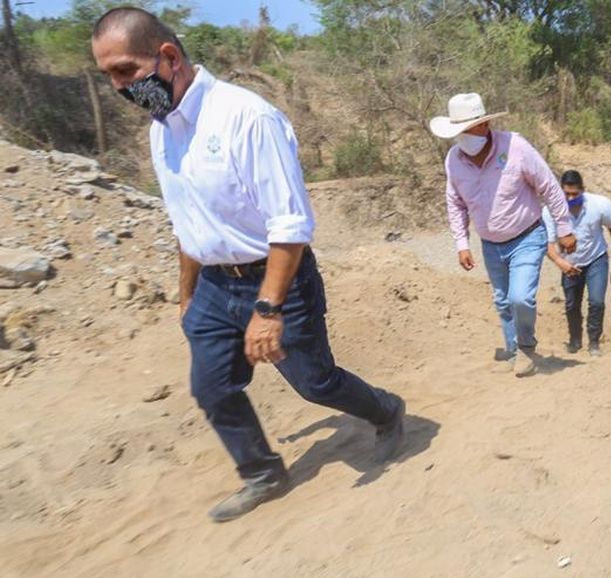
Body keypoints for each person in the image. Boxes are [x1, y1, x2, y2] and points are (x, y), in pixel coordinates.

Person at [91, 7, 406, 523]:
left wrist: (268, 309)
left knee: (315, 384)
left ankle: (386, 409)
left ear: (168, 56)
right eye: (108, 76)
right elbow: (189, 222)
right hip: (214, 285)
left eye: (125, 71)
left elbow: (290, 226)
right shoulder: (161, 129)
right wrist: (187, 294)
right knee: (212, 387)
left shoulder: (246, 117)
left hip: (276, 279)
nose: (118, 87)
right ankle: (262, 472)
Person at [430, 93, 577, 377]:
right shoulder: (454, 160)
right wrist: (462, 243)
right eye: (458, 131)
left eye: (467, 130)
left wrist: (564, 228)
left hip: (527, 236)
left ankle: (526, 348)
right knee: (503, 301)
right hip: (490, 245)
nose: (462, 137)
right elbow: (455, 202)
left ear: (484, 125)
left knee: (520, 298)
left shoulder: (515, 146)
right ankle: (513, 352)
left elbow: (548, 186)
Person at [543, 170, 611, 356]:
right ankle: (575, 340)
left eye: (575, 194)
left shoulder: (600, 204)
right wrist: (560, 263)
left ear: (583, 190)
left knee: (597, 301)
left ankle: (594, 342)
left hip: (596, 259)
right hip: (569, 264)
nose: (571, 198)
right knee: (572, 305)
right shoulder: (549, 211)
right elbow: (547, 244)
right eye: (567, 194)